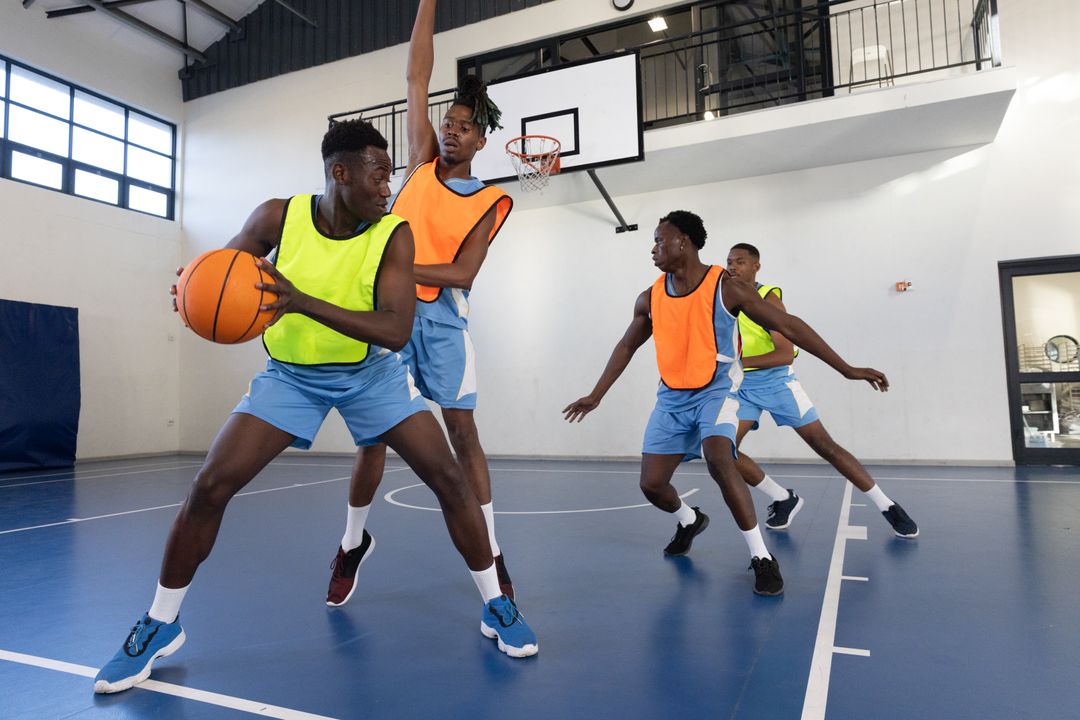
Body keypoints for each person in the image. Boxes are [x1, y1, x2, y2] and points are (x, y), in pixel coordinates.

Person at [93, 119, 537, 695]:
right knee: (209, 486)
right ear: (340, 173)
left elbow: (396, 330)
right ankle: (159, 623)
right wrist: (193, 287)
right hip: (291, 377)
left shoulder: (394, 234)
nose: (388, 188)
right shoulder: (278, 217)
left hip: (371, 374)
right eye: (379, 176)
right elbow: (226, 271)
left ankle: (496, 605)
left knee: (449, 478)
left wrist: (300, 300)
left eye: (390, 177)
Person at [563, 211, 890, 596]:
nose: (653, 249)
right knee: (652, 486)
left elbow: (791, 327)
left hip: (716, 392)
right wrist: (596, 394)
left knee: (720, 456)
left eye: (659, 240)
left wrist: (847, 369)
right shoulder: (649, 296)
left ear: (683, 241)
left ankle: (761, 557)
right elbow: (626, 346)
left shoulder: (726, 287)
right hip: (671, 398)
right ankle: (689, 520)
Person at [325, 0, 517, 609]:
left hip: (441, 320)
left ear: (482, 140)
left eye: (464, 125)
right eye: (448, 121)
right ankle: (353, 542)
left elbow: (463, 271)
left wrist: (400, 266)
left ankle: (491, 546)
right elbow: (416, 74)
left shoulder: (490, 200)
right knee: (374, 438)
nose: (452, 128)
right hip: (390, 315)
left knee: (462, 432)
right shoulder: (420, 164)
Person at [726, 243, 918, 537]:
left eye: (740, 261)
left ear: (756, 266)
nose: (733, 266)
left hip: (777, 383)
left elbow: (784, 354)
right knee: (724, 452)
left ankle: (887, 505)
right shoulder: (727, 300)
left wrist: (737, 363)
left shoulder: (768, 298)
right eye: (729, 261)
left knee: (824, 445)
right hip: (743, 386)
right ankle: (782, 498)